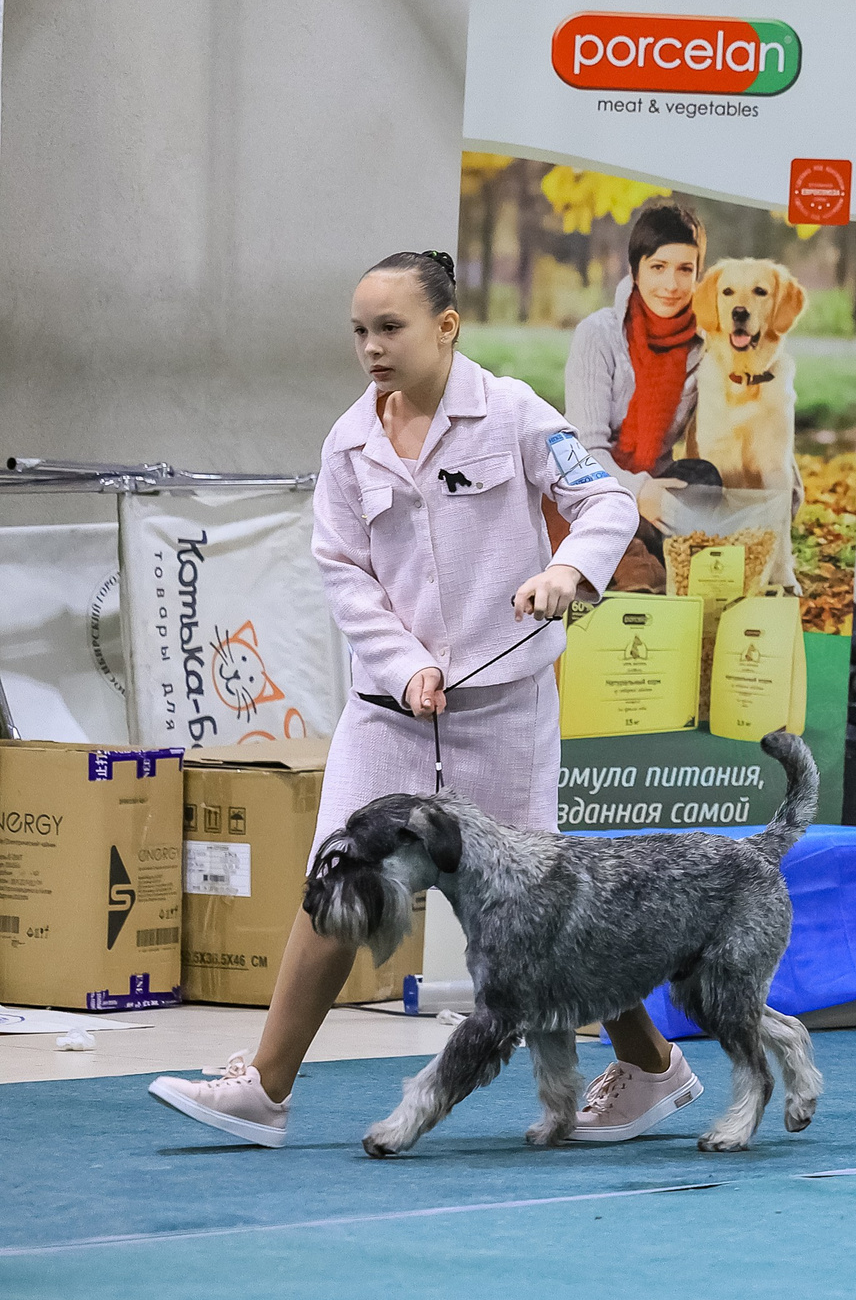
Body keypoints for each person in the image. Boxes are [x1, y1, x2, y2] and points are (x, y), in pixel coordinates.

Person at [147, 251, 688, 1147]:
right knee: (336, 875)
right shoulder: (347, 440)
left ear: (447, 325)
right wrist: (404, 666)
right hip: (388, 716)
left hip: (503, 715)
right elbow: (343, 570)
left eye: (390, 327)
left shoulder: (513, 411)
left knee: (544, 921)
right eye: (360, 331)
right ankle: (265, 1088)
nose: (371, 348)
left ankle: (653, 1069)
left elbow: (606, 504)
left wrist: (564, 569)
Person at [565, 197, 708, 542]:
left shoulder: (705, 345)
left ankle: (651, 544)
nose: (672, 285)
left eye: (684, 269)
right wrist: (638, 492)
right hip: (593, 486)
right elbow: (584, 451)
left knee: (705, 479)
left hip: (660, 486)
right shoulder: (599, 334)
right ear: (635, 270)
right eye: (658, 267)